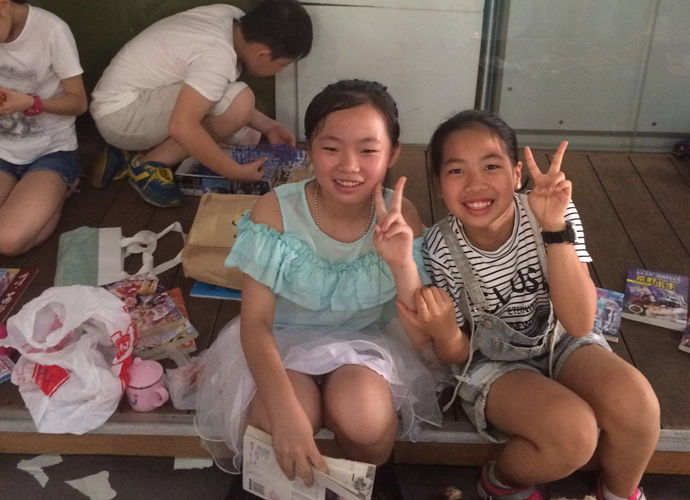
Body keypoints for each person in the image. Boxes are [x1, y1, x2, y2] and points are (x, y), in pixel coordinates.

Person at [195, 79, 445, 500]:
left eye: (368, 150)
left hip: (366, 342)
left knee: (366, 420)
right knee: (277, 418)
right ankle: (267, 483)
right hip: (280, 342)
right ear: (309, 150)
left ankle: (373, 481)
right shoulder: (276, 210)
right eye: (331, 148)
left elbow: (419, 331)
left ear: (392, 153)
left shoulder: (402, 214)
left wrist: (403, 261)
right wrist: (286, 413)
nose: (349, 166)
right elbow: (256, 322)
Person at [396, 110, 660, 500]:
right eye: (456, 171)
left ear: (517, 173)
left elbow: (579, 322)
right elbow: (458, 353)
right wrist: (445, 330)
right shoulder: (439, 248)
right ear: (438, 185)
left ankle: (618, 494)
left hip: (560, 339)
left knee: (638, 405)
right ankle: (500, 482)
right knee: (573, 433)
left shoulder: (552, 210)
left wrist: (553, 227)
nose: (476, 183)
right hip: (491, 363)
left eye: (491, 166)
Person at [88, 0, 312, 208]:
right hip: (121, 115)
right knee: (240, 103)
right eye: (282, 65)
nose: (281, 71)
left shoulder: (230, 17)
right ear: (263, 54)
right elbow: (182, 125)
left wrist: (269, 127)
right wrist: (234, 172)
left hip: (126, 101)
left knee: (245, 130)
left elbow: (214, 96)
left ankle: (127, 151)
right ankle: (148, 164)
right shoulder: (217, 57)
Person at [0, 0, 87, 256]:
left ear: (3, 4)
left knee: (8, 241)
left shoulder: (51, 30)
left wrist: (32, 103)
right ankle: (40, 199)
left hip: (51, 152)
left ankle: (62, 187)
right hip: (4, 151)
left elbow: (79, 102)